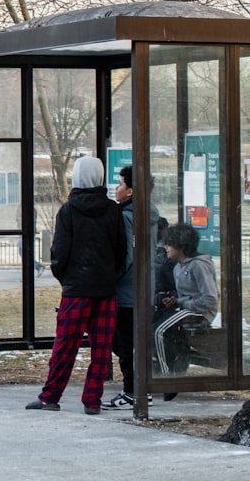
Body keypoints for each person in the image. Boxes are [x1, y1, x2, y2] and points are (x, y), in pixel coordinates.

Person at [26, 156, 127, 414]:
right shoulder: (113, 210)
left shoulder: (68, 210)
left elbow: (59, 253)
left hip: (76, 291)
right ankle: (92, 400)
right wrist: (107, 274)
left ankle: (50, 396)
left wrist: (66, 279)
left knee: (65, 346)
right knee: (101, 350)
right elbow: (120, 251)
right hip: (105, 290)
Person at [102, 165, 158, 410]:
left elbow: (125, 254)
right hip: (144, 286)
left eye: (121, 184)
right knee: (134, 342)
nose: (116, 188)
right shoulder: (149, 213)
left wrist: (109, 278)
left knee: (125, 343)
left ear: (131, 191)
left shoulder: (127, 216)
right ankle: (142, 389)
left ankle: (132, 392)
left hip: (127, 290)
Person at [153, 222, 218, 379]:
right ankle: (171, 367)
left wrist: (182, 302)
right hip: (186, 309)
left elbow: (209, 299)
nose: (166, 248)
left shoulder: (198, 266)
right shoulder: (178, 267)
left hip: (200, 313)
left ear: (181, 246)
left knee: (159, 331)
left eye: (170, 244)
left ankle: (165, 375)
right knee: (152, 324)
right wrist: (175, 300)